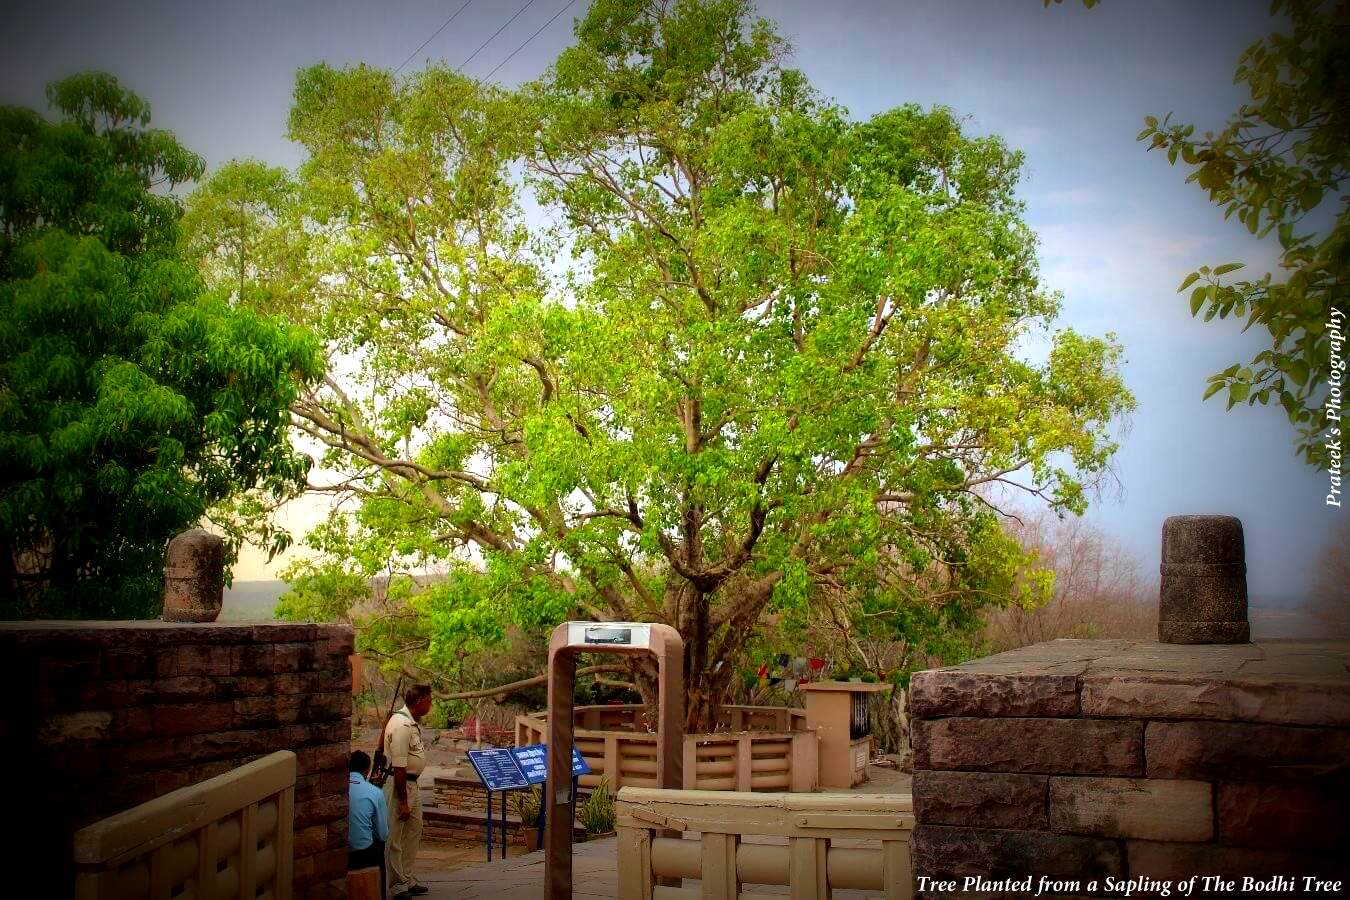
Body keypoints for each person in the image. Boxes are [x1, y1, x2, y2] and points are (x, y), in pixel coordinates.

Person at [383, 683, 433, 899]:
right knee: (395, 836)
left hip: (411, 784)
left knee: (414, 830)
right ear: (420, 702)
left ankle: (407, 876)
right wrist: (403, 801)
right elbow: (399, 767)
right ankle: (397, 885)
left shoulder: (410, 723)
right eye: (429, 701)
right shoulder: (402, 725)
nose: (430, 705)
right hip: (399, 784)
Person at [348, 750, 389, 899]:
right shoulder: (374, 792)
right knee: (379, 848)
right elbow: (383, 833)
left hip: (340, 849)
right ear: (366, 771)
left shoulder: (335, 789)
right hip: (362, 852)